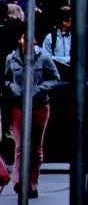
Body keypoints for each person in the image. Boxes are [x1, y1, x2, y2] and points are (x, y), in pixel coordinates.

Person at [5, 21, 60, 198]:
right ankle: (19, 182)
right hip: (18, 105)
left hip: (39, 105)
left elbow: (55, 78)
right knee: (21, 146)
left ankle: (32, 183)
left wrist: (40, 88)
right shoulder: (11, 59)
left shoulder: (43, 57)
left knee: (36, 147)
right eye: (24, 38)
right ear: (19, 40)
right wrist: (13, 87)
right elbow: (4, 79)